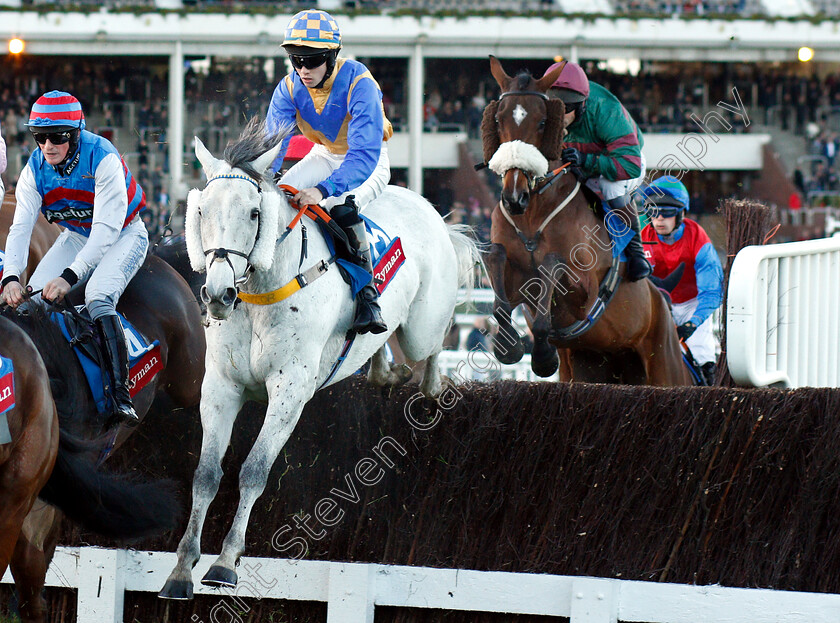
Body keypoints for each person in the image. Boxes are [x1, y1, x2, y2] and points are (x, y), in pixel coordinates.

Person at [1, 91, 148, 427]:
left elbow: (106, 231)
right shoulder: (34, 170)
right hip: (78, 236)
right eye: (40, 137)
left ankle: (120, 395)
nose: (48, 146)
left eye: (57, 136)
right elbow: (20, 229)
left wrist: (69, 277)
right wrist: (11, 277)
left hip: (125, 235)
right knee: (28, 306)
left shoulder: (103, 158)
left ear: (76, 134)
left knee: (97, 296)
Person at [266, 9, 392, 335]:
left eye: (313, 60)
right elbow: (272, 145)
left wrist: (323, 190)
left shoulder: (360, 82)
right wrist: (261, 176)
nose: (303, 69)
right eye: (296, 59)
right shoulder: (289, 87)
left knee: (341, 207)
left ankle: (368, 296)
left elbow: (363, 155)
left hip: (367, 159)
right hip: (323, 153)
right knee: (275, 197)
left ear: (333, 56)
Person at [542, 60, 651, 281]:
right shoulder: (547, 114)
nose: (561, 115)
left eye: (568, 108)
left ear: (582, 104)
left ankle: (635, 250)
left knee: (609, 187)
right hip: (585, 164)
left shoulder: (606, 110)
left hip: (625, 163)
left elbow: (629, 165)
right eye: (556, 108)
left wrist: (586, 161)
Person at [640, 175, 724, 385]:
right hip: (658, 305)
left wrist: (693, 322)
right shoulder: (643, 238)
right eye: (653, 212)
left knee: (702, 354)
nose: (659, 219)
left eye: (667, 213)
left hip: (692, 304)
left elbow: (712, 292)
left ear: (681, 213)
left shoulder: (698, 239)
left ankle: (708, 388)